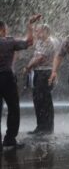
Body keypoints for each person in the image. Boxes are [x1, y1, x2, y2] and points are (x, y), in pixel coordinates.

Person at [0, 14, 41, 150]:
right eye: (5, 29)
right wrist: (30, 25)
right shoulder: (9, 42)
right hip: (6, 78)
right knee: (13, 108)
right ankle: (10, 138)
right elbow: (29, 42)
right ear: (2, 30)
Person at [25, 24, 57, 135]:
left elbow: (40, 58)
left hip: (46, 73)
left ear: (45, 32)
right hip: (38, 73)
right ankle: (40, 126)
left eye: (38, 31)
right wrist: (29, 67)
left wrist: (28, 67)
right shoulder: (39, 42)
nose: (36, 33)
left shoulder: (49, 42)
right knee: (38, 100)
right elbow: (35, 56)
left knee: (45, 101)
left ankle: (47, 128)